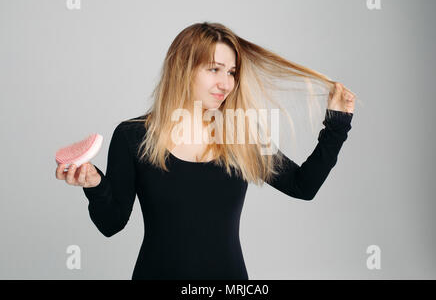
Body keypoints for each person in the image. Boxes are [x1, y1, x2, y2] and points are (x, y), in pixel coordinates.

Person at [55, 22, 356, 280]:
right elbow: (111, 224)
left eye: (232, 72)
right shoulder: (133, 136)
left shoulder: (240, 132)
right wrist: (95, 184)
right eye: (214, 69)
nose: (226, 83)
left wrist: (337, 124)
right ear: (183, 68)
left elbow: (303, 186)